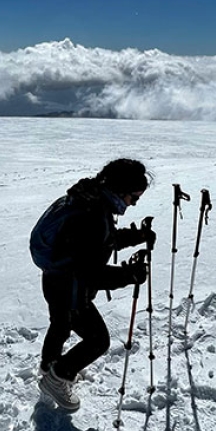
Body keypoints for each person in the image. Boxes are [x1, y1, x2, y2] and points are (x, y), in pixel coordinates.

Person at [29, 158, 155, 412]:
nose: (135, 203)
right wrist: (129, 276)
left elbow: (100, 243)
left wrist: (136, 237)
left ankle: (48, 366)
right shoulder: (93, 215)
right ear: (120, 190)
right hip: (72, 290)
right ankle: (57, 377)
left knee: (60, 325)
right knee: (98, 340)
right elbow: (92, 273)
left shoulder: (88, 199)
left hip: (54, 280)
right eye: (134, 197)